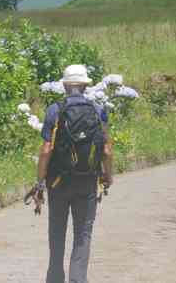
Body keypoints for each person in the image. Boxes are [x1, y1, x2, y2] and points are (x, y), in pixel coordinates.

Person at [30, 64, 113, 283]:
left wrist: (39, 183)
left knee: (57, 233)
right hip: (87, 182)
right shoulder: (98, 110)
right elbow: (106, 150)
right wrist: (108, 177)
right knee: (83, 235)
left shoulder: (54, 110)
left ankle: (55, 279)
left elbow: (46, 150)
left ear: (65, 85)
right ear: (85, 85)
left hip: (58, 182)